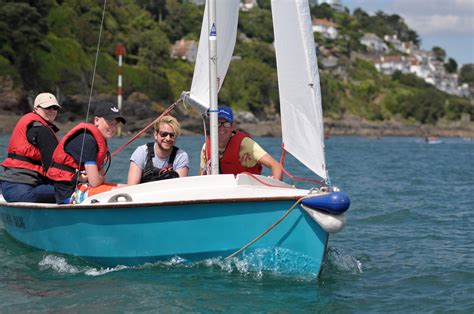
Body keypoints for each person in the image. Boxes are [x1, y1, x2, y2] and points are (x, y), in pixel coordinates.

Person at [46, 102, 127, 204]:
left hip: (79, 187)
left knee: (130, 188)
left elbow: (98, 178)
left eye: (116, 123)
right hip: (68, 195)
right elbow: (95, 182)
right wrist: (95, 177)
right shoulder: (88, 140)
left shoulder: (98, 140)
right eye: (110, 121)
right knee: (126, 192)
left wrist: (95, 177)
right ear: (96, 120)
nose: (113, 127)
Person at [0, 93, 61, 203]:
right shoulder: (41, 130)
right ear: (36, 108)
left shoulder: (31, 124)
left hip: (7, 187)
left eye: (55, 107)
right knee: (69, 191)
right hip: (23, 190)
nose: (52, 110)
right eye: (47, 107)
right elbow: (53, 168)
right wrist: (76, 180)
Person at [199, 105, 283, 180]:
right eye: (218, 123)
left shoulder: (246, 145)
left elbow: (276, 166)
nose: (222, 127)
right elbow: (201, 176)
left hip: (248, 191)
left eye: (226, 123)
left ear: (232, 127)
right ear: (212, 125)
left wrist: (276, 185)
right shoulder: (206, 147)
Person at [128, 115, 189, 184]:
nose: (168, 138)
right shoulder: (141, 152)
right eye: (164, 134)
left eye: (172, 135)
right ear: (155, 135)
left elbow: (179, 188)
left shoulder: (181, 156)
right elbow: (132, 186)